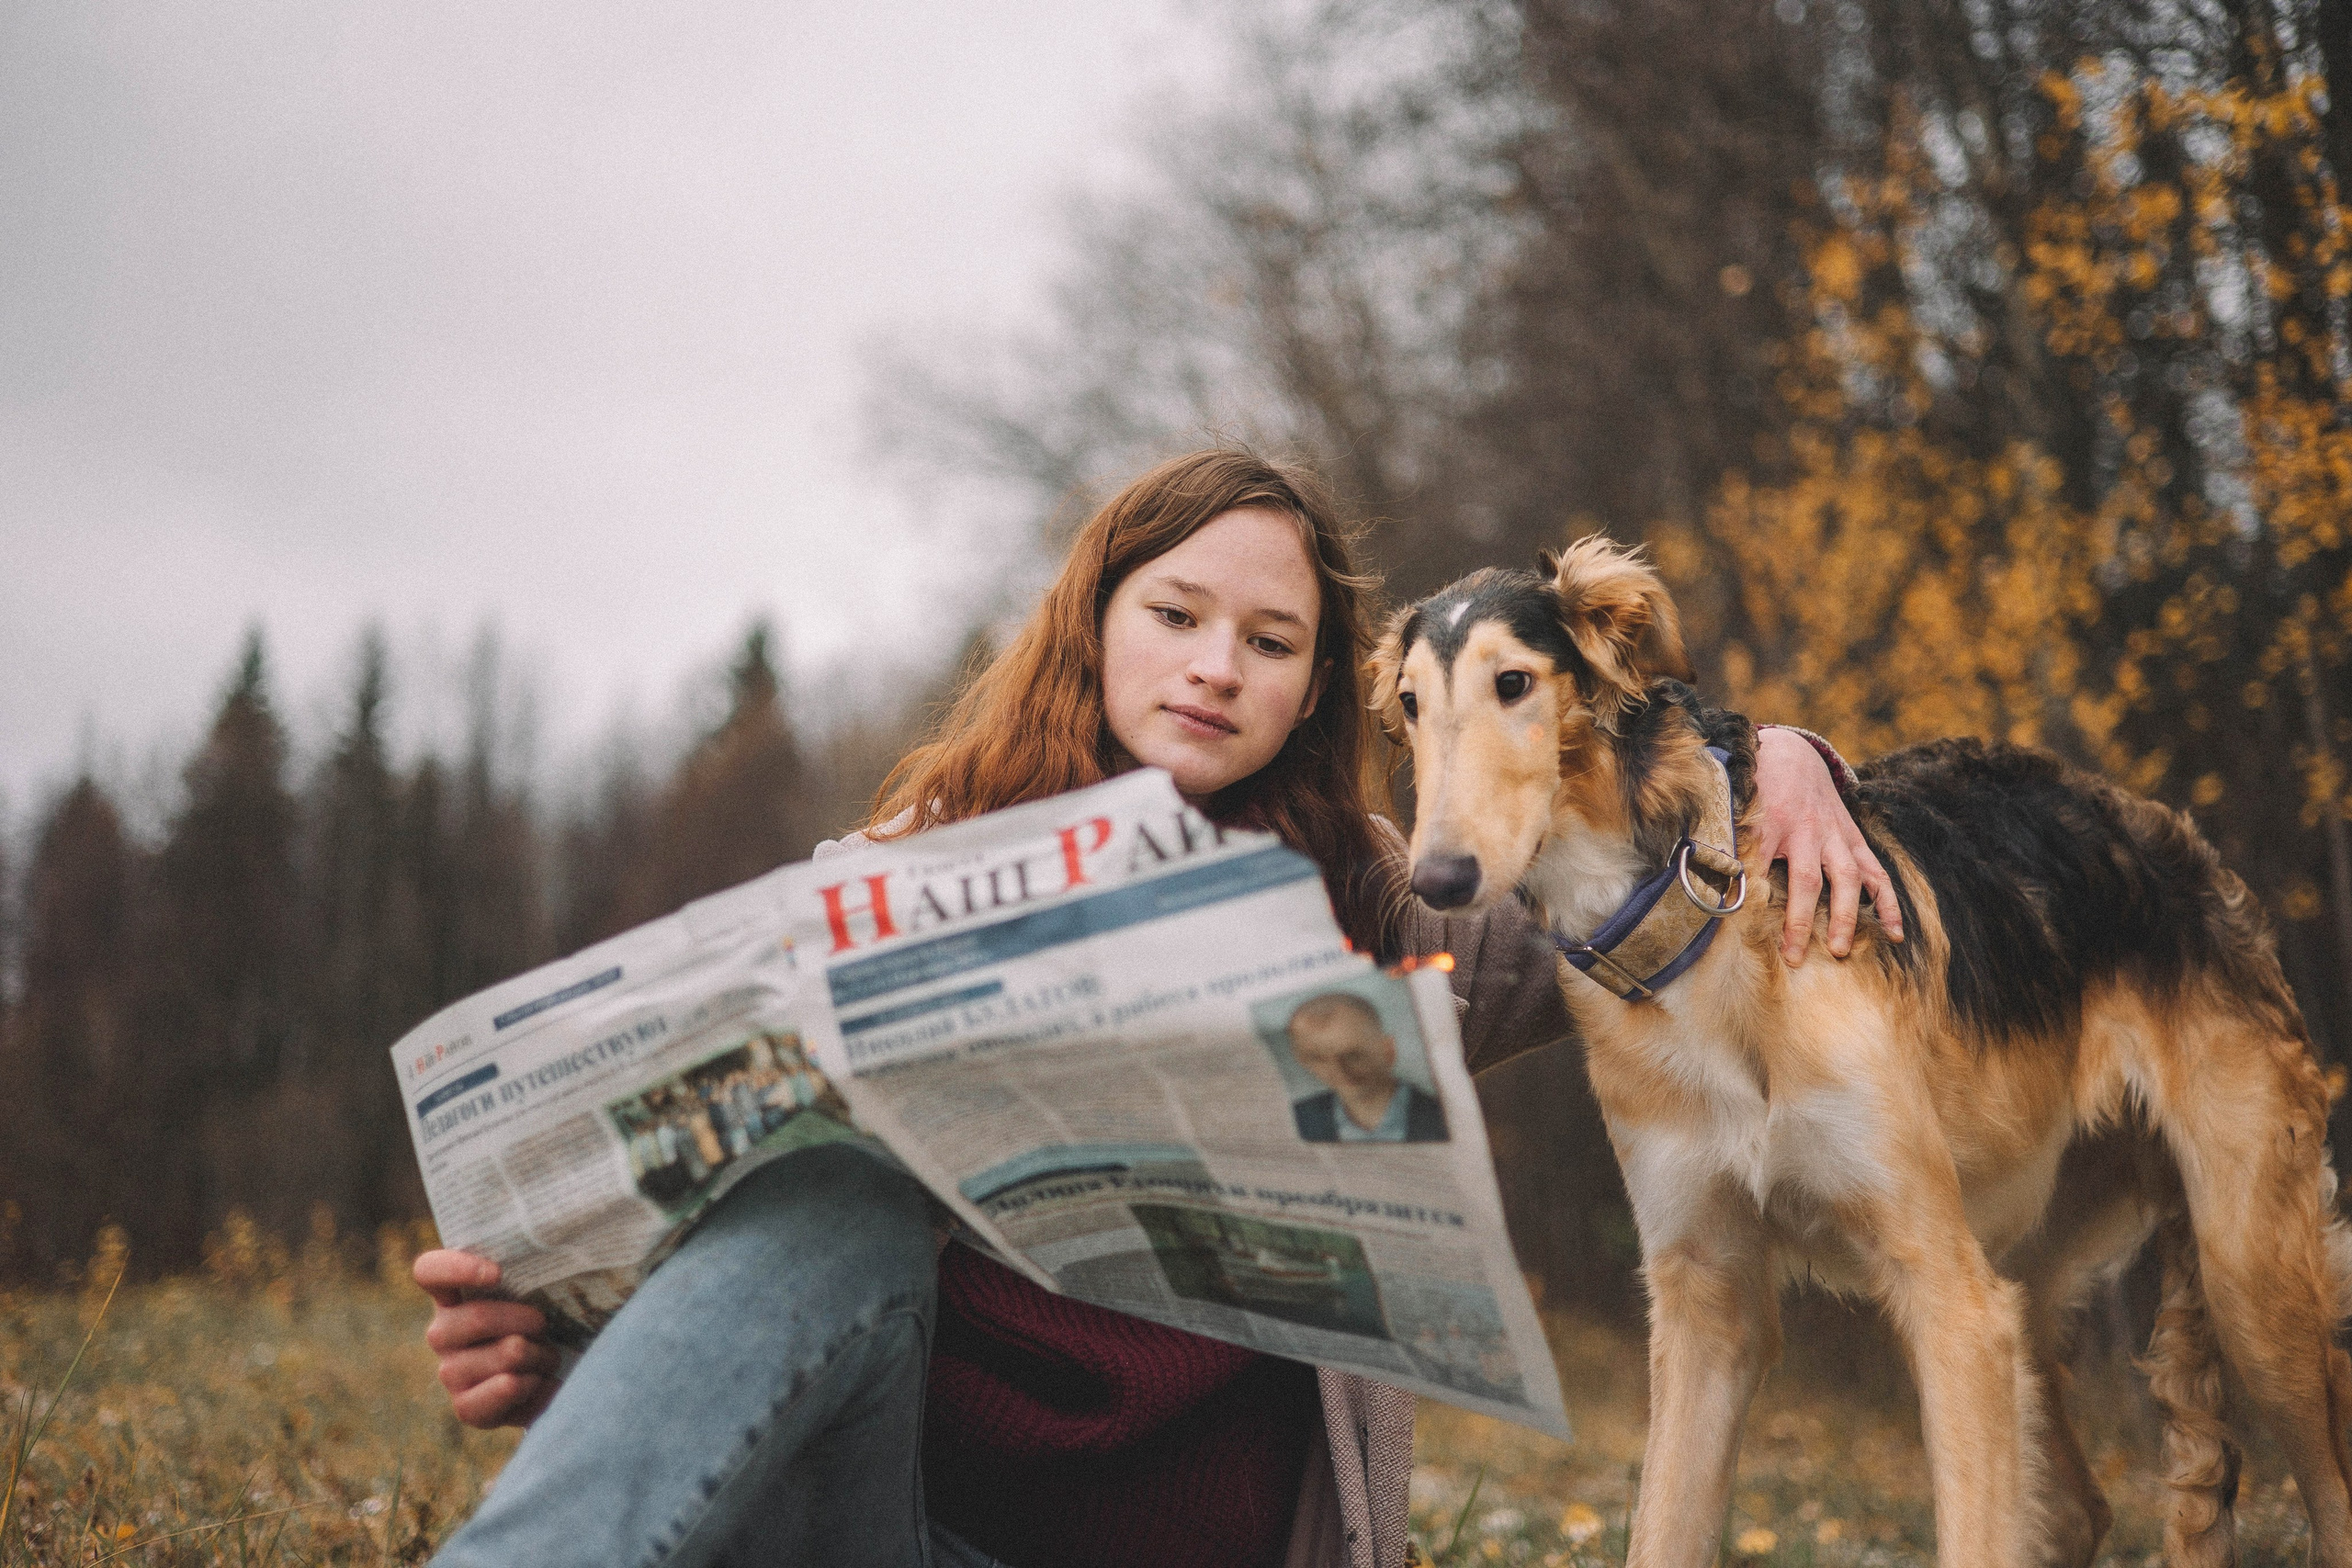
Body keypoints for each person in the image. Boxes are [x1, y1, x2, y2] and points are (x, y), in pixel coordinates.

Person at [413, 449, 1898, 1568]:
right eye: (1176, 612)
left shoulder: (1372, 901)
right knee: (824, 1203)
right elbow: (772, 1328)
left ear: (1318, 682)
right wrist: (566, 1351)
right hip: (901, 1533)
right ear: (1095, 624)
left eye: (1270, 638)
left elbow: (1631, 899)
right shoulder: (904, 874)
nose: (1214, 665)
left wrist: (1774, 761)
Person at [1283, 992, 1446, 1144]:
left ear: (1388, 1050)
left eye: (1353, 1055)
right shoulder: (1296, 1119)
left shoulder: (1444, 1116)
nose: (1339, 1070)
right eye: (1317, 1058)